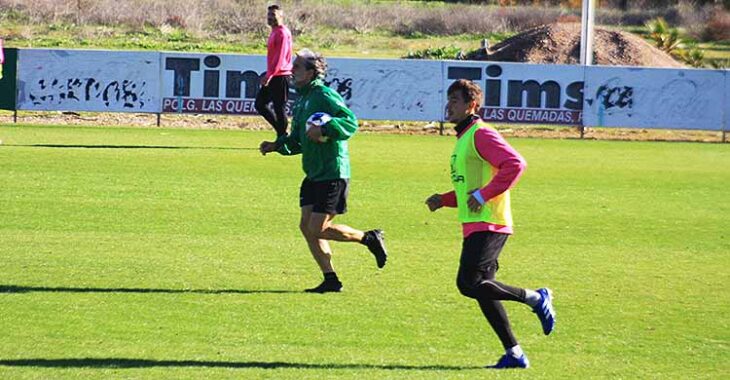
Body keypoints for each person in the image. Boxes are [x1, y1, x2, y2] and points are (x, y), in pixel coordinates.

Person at [425, 80, 555, 369]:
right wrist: (443, 200)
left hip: (490, 223)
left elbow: (515, 164)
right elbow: (468, 191)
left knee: (468, 284)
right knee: (484, 289)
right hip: (476, 223)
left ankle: (536, 298)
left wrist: (484, 195)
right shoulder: (463, 139)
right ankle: (515, 354)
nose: (449, 105)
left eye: (455, 100)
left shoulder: (481, 134)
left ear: (472, 105)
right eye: (448, 99)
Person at [259, 49, 388, 293]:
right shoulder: (302, 100)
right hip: (313, 172)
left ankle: (369, 238)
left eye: (297, 66)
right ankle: (330, 279)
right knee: (306, 227)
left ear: (310, 72)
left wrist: (326, 130)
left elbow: (350, 122)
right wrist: (277, 146)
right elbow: (297, 139)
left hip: (333, 172)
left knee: (317, 228)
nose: (292, 70)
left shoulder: (323, 95)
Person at [255, 4, 293, 139]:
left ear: (281, 17)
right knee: (260, 104)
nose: (270, 18)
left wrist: (270, 75)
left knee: (279, 107)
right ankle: (282, 134)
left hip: (281, 75)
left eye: (273, 15)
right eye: (269, 15)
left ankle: (282, 137)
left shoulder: (282, 33)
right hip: (274, 74)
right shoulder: (274, 31)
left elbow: (281, 57)